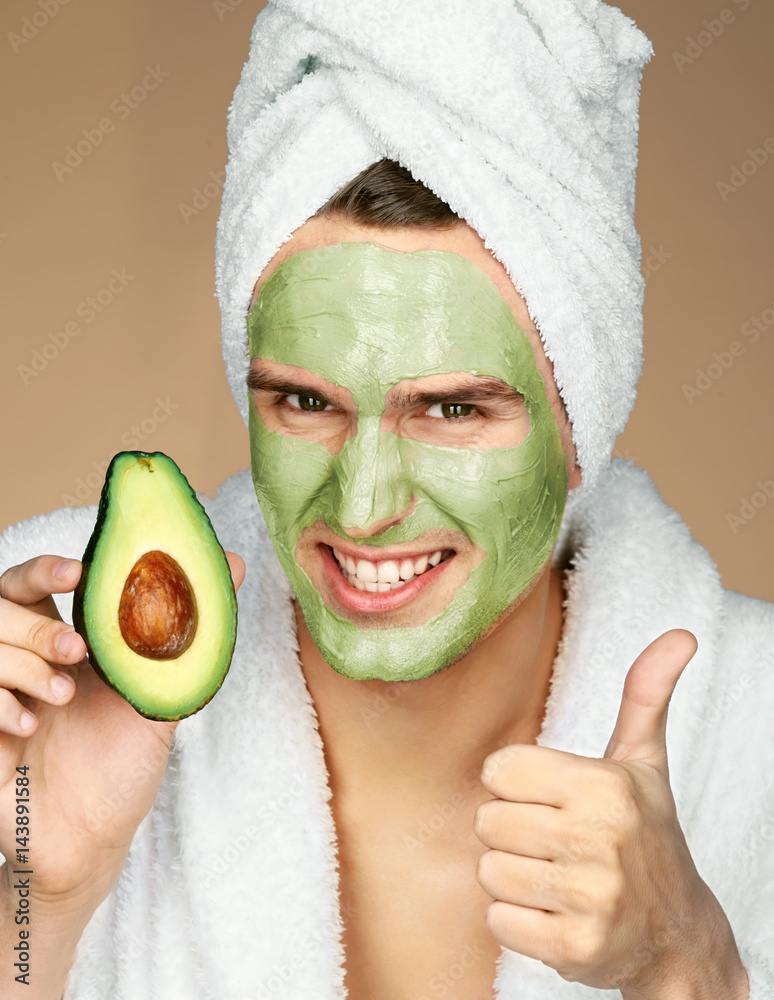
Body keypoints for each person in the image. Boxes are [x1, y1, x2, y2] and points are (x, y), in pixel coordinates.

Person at [1, 3, 773, 1000]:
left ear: (579, 423)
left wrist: (688, 965)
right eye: (305, 402)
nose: (362, 508)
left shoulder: (758, 731)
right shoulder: (43, 686)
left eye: (451, 408)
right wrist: (38, 898)